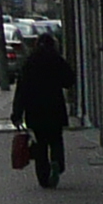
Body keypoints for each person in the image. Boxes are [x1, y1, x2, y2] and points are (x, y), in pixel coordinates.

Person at [11, 31, 74, 189]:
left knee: (40, 144)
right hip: (54, 108)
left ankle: (43, 177)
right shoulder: (56, 59)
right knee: (56, 140)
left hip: (35, 111)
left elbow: (21, 90)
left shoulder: (29, 62)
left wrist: (17, 114)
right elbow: (69, 80)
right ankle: (57, 163)